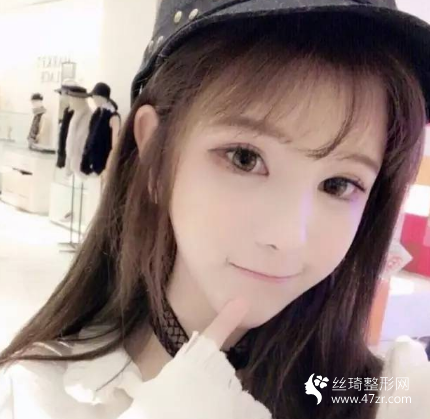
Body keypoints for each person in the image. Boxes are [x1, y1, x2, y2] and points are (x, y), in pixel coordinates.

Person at [1, 1, 430, 418]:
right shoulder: (35, 396)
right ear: (155, 154)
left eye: (338, 185)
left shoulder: (389, 396)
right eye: (245, 158)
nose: (287, 237)